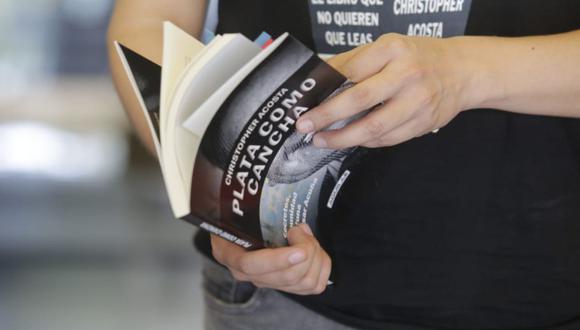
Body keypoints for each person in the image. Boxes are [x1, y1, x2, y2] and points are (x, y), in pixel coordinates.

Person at [108, 1, 580, 329]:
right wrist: (217, 193)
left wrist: (468, 72)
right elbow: (149, 22)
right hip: (282, 303)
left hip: (546, 296)